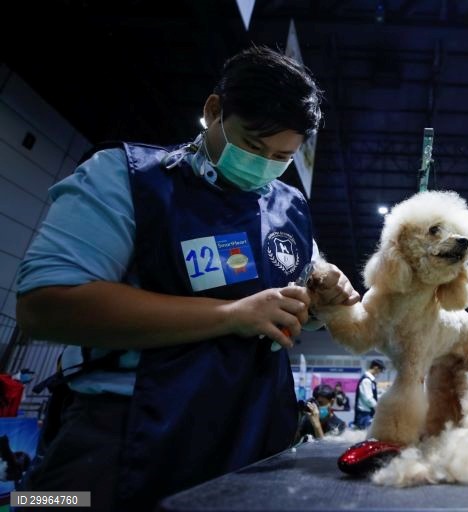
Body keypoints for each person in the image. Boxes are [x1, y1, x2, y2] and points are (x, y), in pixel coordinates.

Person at [14, 45, 360, 512]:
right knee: (47, 503)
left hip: (256, 433)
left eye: (282, 155)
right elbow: (44, 305)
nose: (264, 165)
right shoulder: (128, 177)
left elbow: (300, 305)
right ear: (213, 110)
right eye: (253, 146)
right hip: (120, 433)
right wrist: (231, 314)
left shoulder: (290, 208)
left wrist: (323, 298)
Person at [354, 359, 386, 429]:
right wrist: (379, 408)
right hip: (364, 414)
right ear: (376, 368)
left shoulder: (370, 381)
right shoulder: (366, 381)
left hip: (367, 413)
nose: (379, 373)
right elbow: (368, 399)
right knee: (367, 437)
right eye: (380, 371)